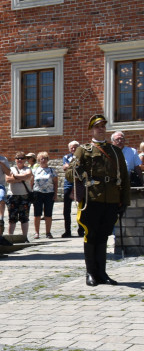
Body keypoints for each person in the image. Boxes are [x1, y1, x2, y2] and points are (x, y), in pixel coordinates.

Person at [68, 114, 130, 286]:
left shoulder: (116, 152)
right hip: (92, 198)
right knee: (91, 234)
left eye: (103, 126)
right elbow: (69, 175)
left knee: (103, 236)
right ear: (92, 130)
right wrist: (76, 170)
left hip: (111, 199)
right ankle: (91, 273)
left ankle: (102, 273)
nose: (101, 129)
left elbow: (124, 178)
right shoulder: (84, 150)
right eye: (97, 126)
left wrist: (124, 201)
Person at [5, 153, 33, 239]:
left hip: (24, 195)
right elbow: (8, 179)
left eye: (21, 158)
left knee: (24, 217)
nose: (19, 160)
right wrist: (21, 178)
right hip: (12, 196)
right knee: (12, 217)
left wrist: (16, 176)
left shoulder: (28, 168)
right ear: (15, 160)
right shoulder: (11, 168)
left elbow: (28, 176)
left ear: (25, 160)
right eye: (18, 158)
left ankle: (24, 237)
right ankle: (10, 237)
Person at [31, 152, 58, 239]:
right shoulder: (35, 170)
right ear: (38, 160)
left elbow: (55, 183)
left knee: (48, 214)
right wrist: (31, 193)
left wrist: (55, 194)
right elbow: (31, 183)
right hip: (37, 192)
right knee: (37, 214)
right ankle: (37, 233)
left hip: (49, 193)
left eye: (45, 158)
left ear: (47, 160)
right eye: (41, 159)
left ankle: (48, 232)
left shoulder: (52, 170)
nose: (43, 160)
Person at [61, 141, 82, 238]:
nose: (73, 149)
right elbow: (65, 167)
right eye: (72, 148)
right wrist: (73, 166)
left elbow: (80, 167)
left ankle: (81, 230)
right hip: (68, 185)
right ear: (69, 149)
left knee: (80, 208)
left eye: (75, 147)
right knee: (66, 210)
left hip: (79, 184)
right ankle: (67, 230)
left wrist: (70, 166)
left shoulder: (81, 156)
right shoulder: (66, 157)